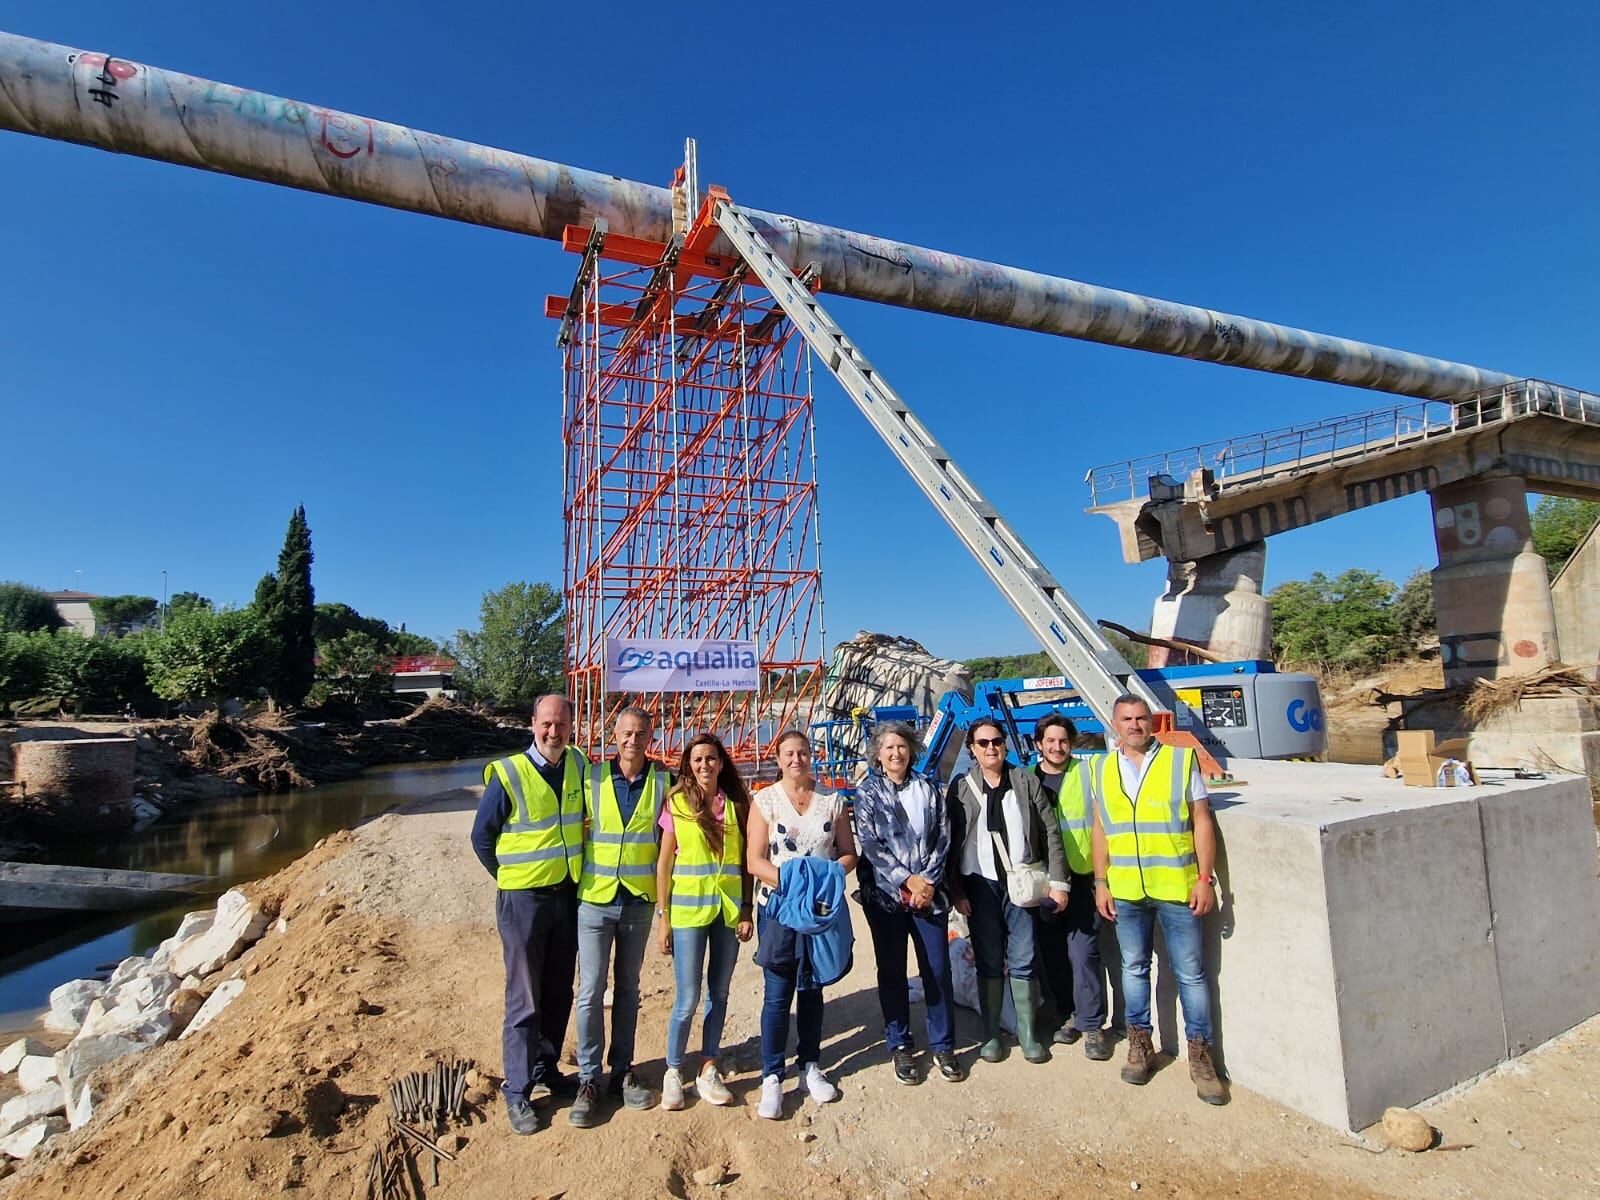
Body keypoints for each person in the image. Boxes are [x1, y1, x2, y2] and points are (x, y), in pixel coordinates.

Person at [1091, 694, 1226, 1105]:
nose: (1134, 725)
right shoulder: (1099, 768)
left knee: (1191, 973)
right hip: (1127, 889)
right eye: (1126, 719)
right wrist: (1101, 880)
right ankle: (1139, 1044)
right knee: (1133, 968)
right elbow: (1101, 828)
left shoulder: (1180, 761)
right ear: (1115, 725)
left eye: (1141, 718)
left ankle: (1202, 1057)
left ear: (1153, 723)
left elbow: (1202, 821)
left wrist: (1205, 878)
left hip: (1177, 888)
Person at [469, 694, 587, 1135]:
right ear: (532, 724)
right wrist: (509, 877)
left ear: (572, 727)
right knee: (525, 998)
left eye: (561, 725)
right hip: (523, 901)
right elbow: (482, 837)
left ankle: (546, 1068)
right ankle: (517, 1090)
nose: (553, 732)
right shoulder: (510, 773)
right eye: (546, 724)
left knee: (558, 989)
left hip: (567, 896)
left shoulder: (576, 764)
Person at [748, 729, 858, 1119]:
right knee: (777, 993)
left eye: (803, 753)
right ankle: (771, 1075)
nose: (797, 759)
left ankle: (810, 1064)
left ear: (812, 756)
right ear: (778, 759)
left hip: (820, 909)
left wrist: (824, 880)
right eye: (789, 754)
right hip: (779, 909)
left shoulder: (832, 800)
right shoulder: (764, 801)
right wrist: (795, 883)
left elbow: (848, 854)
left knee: (813, 987)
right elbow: (755, 860)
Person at [569, 706, 669, 1127]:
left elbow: (673, 838)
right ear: (614, 734)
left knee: (629, 988)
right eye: (626, 733)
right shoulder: (590, 777)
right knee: (591, 990)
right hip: (595, 897)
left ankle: (622, 1070)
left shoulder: (663, 780)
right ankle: (589, 1078)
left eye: (641, 733)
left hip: (638, 900)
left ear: (651, 737)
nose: (633, 740)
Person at [947, 717, 1068, 1065]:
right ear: (972, 748)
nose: (991, 748)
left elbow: (1050, 833)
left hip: (1021, 884)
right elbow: (952, 844)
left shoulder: (1025, 781)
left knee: (1023, 956)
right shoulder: (961, 787)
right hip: (979, 885)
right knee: (987, 959)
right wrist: (956, 891)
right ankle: (990, 1035)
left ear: (1005, 745)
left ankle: (1028, 1035)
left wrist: (1059, 883)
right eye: (982, 743)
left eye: (996, 741)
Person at [853, 721, 964, 1086]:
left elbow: (943, 836)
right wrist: (907, 880)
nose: (896, 753)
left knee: (937, 970)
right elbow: (870, 845)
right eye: (889, 748)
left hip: (929, 897)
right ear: (878, 755)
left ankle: (943, 1044)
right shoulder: (867, 793)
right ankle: (900, 1043)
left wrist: (927, 881)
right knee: (892, 972)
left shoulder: (928, 789)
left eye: (901, 746)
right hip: (886, 898)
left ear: (911, 750)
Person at [655, 732, 754, 1112]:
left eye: (711, 759)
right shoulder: (677, 803)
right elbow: (664, 863)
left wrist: (747, 910)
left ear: (721, 762)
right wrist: (663, 919)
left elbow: (745, 862)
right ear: (688, 765)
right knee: (687, 998)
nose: (704, 766)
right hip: (688, 913)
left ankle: (708, 1066)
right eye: (697, 760)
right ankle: (673, 1069)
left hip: (726, 912)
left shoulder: (735, 805)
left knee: (720, 993)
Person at [1030, 713, 1113, 1062]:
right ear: (1039, 745)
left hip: (1080, 875)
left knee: (1082, 951)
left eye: (1063, 741)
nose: (1057, 747)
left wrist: (1100, 878)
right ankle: (1067, 1012)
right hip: (1044, 879)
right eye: (1050, 741)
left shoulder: (1087, 773)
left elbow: (1100, 822)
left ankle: (1091, 1023)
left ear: (1071, 743)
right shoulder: (1028, 778)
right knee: (1052, 952)